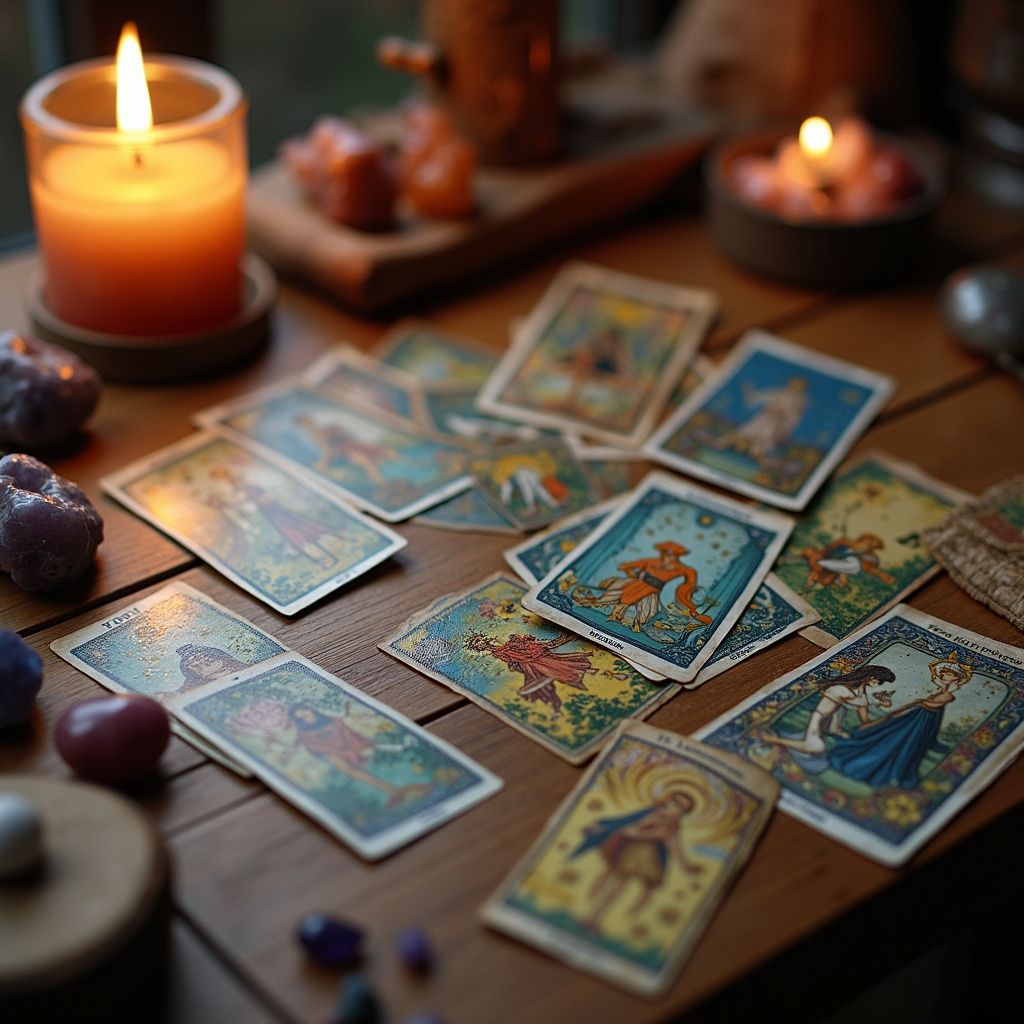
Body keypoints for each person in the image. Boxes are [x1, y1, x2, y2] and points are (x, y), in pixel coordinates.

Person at [827, 654, 973, 789]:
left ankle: (880, 769)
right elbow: (933, 694)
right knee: (891, 736)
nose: (943, 676)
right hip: (916, 716)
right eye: (943, 673)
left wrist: (917, 703)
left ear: (956, 677)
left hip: (920, 720)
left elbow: (932, 704)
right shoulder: (944, 689)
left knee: (902, 741)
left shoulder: (948, 694)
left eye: (948, 674)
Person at [571, 790, 703, 932]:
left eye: (679, 807)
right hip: (627, 850)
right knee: (608, 878)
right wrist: (610, 830)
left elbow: (673, 846)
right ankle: (587, 912)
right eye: (673, 802)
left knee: (618, 885)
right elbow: (628, 823)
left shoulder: (672, 827)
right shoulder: (654, 814)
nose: (672, 807)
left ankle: (594, 917)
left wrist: (686, 866)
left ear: (681, 813)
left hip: (641, 859)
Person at [290, 703, 428, 806]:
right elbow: (314, 746)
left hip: (350, 746)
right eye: (301, 715)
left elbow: (347, 733)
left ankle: (404, 787)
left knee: (374, 760)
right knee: (351, 771)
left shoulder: (330, 719)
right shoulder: (304, 732)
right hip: (333, 753)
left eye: (305, 711)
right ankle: (394, 791)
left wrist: (357, 747)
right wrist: (340, 753)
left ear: (310, 709)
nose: (306, 715)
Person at [574, 541, 710, 633]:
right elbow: (626, 566)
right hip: (636, 583)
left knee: (645, 607)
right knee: (622, 591)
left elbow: (687, 586)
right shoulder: (652, 561)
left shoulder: (685, 570)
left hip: (653, 589)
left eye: (671, 553)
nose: (668, 556)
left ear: (677, 555)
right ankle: (614, 613)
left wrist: (690, 606)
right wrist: (633, 573)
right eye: (665, 552)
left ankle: (626, 618)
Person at [760, 665, 896, 755]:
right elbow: (854, 701)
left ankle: (833, 732)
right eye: (880, 681)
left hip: (833, 719)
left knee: (849, 738)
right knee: (817, 748)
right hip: (819, 717)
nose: (879, 684)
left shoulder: (860, 692)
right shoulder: (842, 689)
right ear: (871, 677)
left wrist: (884, 719)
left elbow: (864, 716)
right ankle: (773, 739)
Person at [467, 632, 593, 715]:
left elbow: (520, 651)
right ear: (479, 648)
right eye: (478, 644)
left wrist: (520, 645)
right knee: (545, 687)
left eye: (480, 640)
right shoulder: (497, 652)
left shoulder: (502, 646)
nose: (481, 643)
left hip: (535, 660)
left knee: (562, 670)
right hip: (529, 665)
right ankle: (557, 707)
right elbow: (513, 660)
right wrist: (515, 661)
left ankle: (580, 688)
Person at [716, 376, 808, 461]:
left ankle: (753, 455)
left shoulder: (800, 401)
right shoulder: (780, 392)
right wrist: (749, 391)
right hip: (764, 418)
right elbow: (757, 398)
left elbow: (794, 417)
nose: (795, 387)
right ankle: (722, 443)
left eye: (798, 386)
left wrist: (783, 420)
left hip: (776, 424)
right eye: (794, 384)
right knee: (745, 432)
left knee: (763, 441)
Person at [799, 533, 895, 592]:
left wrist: (882, 574)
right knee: (815, 558)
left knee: (853, 565)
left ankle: (824, 572)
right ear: (863, 539)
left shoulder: (871, 557)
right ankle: (819, 572)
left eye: (872, 545)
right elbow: (828, 550)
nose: (867, 545)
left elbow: (867, 568)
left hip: (846, 566)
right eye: (868, 542)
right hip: (831, 562)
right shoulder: (845, 542)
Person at [176, 643, 248, 691]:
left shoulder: (246, 669)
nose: (202, 662)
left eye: (209, 660)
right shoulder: (192, 690)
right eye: (196, 665)